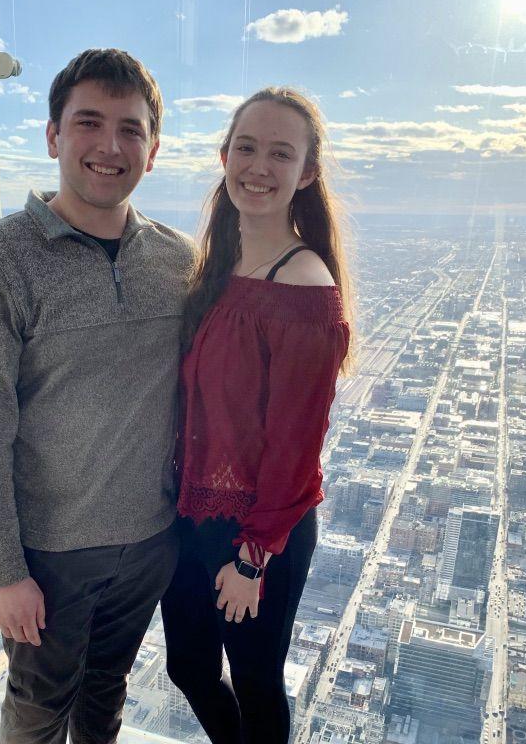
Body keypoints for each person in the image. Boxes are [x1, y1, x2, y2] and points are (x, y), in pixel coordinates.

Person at [0, 49, 196, 744]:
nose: (110, 146)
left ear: (153, 151)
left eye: (131, 129)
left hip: (150, 541)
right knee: (38, 712)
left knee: (104, 697)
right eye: (89, 122)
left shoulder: (179, 262)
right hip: (49, 556)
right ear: (54, 136)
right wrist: (1, 573)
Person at [161, 87, 354, 744]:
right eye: (246, 147)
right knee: (188, 667)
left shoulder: (305, 287)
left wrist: (252, 560)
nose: (259, 167)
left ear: (307, 172)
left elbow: (295, 448)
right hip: (193, 513)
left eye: (280, 153)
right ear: (224, 157)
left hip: (259, 529)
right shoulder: (218, 265)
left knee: (256, 685)